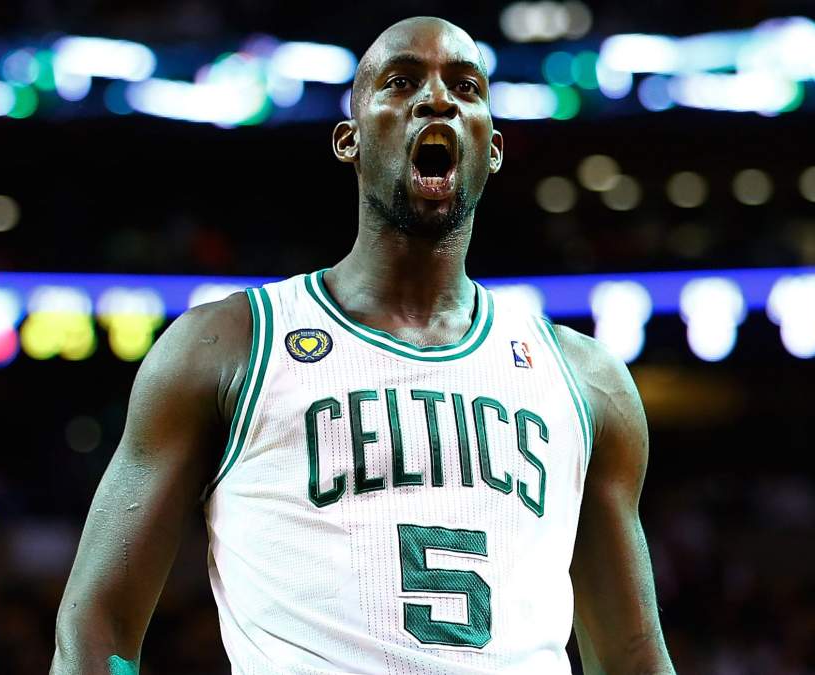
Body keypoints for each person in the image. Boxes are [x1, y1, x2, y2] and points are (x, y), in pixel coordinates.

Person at [52, 16, 674, 675]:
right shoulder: (228, 347)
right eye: (401, 82)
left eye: (465, 87)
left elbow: (633, 655)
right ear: (349, 140)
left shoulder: (583, 379)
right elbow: (97, 622)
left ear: (492, 147)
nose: (437, 100)